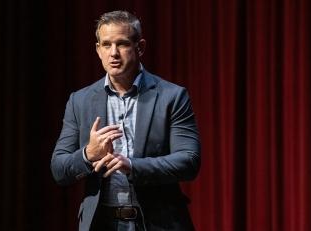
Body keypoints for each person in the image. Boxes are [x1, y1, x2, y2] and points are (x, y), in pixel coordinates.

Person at [51, 10, 201, 231]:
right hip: (101, 223)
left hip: (157, 223)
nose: (113, 53)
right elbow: (59, 168)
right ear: (97, 50)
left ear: (139, 47)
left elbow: (189, 161)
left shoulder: (172, 96)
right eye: (106, 44)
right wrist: (87, 155)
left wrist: (133, 166)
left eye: (122, 44)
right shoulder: (79, 101)